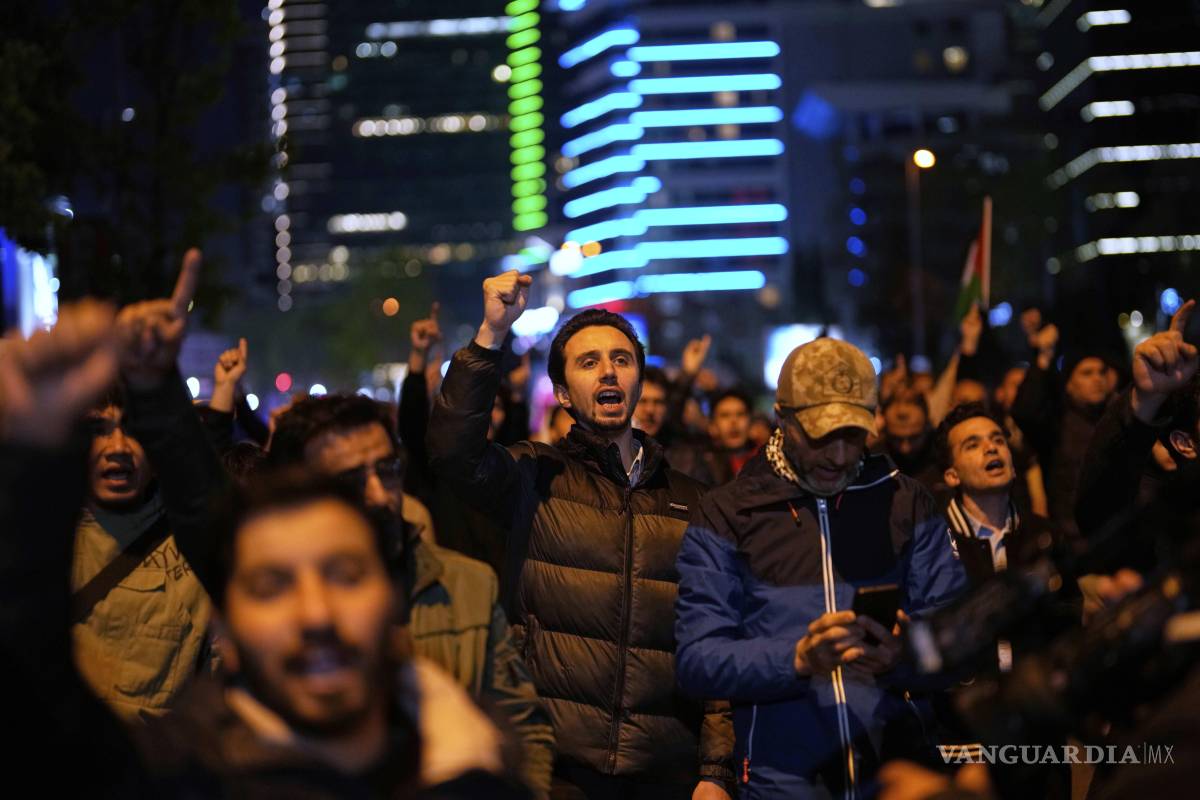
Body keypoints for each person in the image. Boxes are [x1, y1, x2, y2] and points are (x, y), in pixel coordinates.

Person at [0, 296, 519, 797]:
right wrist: (34, 455)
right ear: (224, 621)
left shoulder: (471, 758)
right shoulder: (181, 769)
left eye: (345, 575)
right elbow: (45, 713)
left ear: (390, 595)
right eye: (273, 586)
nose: (316, 614)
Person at [429, 270, 734, 798]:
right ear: (565, 394)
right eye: (588, 363)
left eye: (621, 360)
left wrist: (717, 772)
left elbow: (717, 637)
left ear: (639, 380)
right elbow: (452, 453)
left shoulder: (693, 499)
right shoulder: (533, 474)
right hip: (557, 769)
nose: (608, 373)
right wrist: (491, 336)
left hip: (665, 770)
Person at [674, 338, 968, 799]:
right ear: (781, 419)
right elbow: (697, 659)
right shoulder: (728, 512)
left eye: (853, 435)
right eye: (820, 436)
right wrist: (796, 659)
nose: (838, 455)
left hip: (901, 777)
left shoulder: (905, 500)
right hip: (783, 780)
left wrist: (904, 655)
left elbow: (960, 635)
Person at [270, 392, 556, 797]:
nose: (378, 494)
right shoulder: (271, 606)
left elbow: (524, 726)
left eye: (387, 470)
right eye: (351, 480)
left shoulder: (467, 585)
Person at [67, 250, 212, 721]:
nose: (118, 448)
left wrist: (158, 385)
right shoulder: (34, 540)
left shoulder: (199, 544)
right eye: (97, 430)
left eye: (134, 429)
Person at [1011, 317, 1118, 541]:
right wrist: (1042, 358)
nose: (1097, 379)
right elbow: (1025, 412)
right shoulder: (1057, 423)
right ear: (1069, 384)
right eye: (1086, 373)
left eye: (1101, 372)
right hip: (1071, 538)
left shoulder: (1117, 416)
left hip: (1117, 532)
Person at [880, 389, 943, 491]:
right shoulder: (874, 462)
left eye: (914, 438)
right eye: (896, 439)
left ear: (927, 427)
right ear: (884, 431)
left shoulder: (944, 459)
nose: (905, 448)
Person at [706, 388, 756, 484]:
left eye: (740, 414)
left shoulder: (766, 463)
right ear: (712, 426)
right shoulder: (703, 465)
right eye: (725, 415)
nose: (733, 421)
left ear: (751, 422)